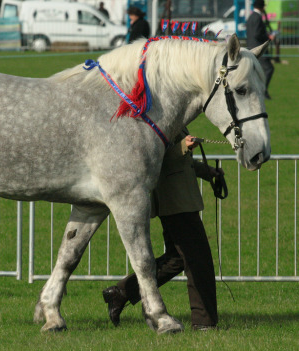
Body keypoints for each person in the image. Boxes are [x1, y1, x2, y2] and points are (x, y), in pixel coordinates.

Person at [102, 129, 223, 331]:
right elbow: (158, 158)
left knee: (176, 258)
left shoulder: (177, 122)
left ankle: (121, 292)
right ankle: (204, 322)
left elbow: (185, 164)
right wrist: (184, 146)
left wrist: (207, 171)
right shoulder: (163, 123)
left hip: (181, 201)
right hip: (175, 201)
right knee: (198, 260)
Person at [246, 0, 275, 99]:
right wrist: (268, 37)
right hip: (258, 47)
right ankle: (263, 90)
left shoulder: (251, 17)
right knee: (269, 69)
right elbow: (257, 34)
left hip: (251, 46)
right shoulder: (258, 17)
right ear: (262, 7)